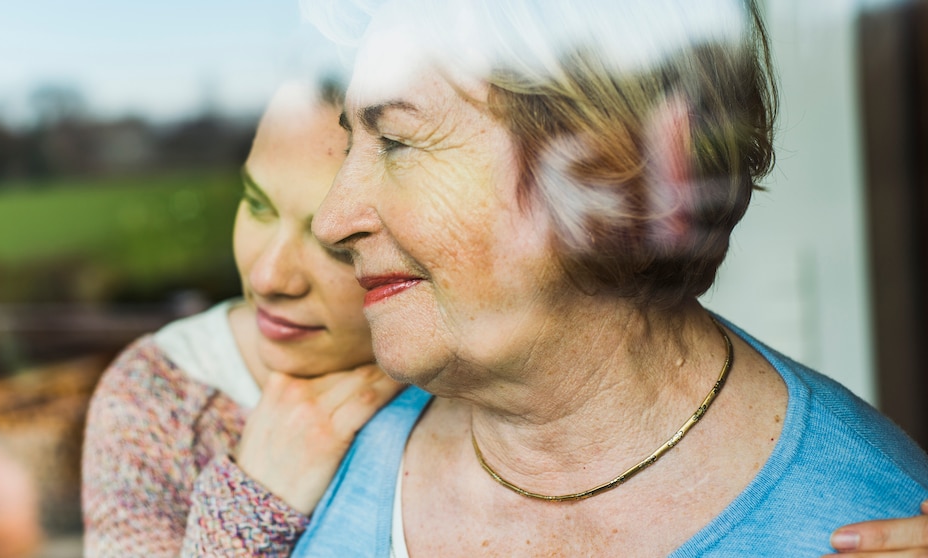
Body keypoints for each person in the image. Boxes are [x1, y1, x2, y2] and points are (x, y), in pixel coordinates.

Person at [288, 0, 928, 555]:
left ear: (616, 169)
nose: (333, 220)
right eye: (352, 146)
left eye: (397, 141)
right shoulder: (295, 446)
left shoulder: (866, 520)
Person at [80, 79, 402, 557]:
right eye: (257, 204)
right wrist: (249, 514)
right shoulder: (158, 399)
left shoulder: (484, 382)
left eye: (335, 245)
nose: (269, 277)